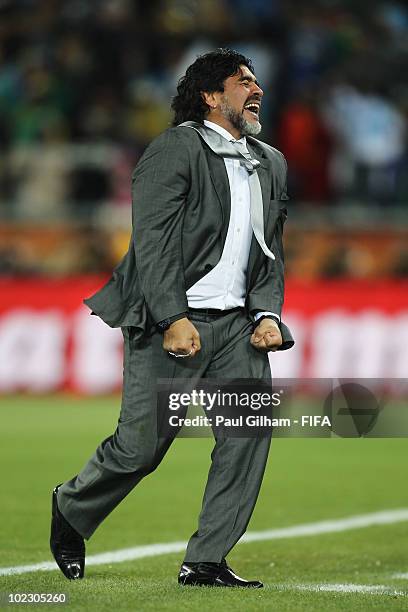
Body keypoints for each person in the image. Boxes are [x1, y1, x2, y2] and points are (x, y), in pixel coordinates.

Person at [50, 48, 294, 588]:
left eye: (257, 81)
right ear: (211, 96)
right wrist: (171, 317)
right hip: (175, 323)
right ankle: (71, 508)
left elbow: (271, 249)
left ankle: (205, 560)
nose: (257, 89)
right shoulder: (174, 150)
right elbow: (152, 245)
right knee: (141, 449)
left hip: (238, 330)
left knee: (247, 438)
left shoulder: (270, 161)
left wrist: (267, 311)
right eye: (243, 81)